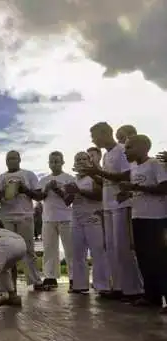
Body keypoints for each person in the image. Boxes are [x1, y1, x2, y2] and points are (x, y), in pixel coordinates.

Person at [79, 122, 143, 301]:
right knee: (112, 248)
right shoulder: (107, 155)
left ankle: (134, 289)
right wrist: (94, 173)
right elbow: (106, 179)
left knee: (123, 248)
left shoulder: (122, 150)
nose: (93, 140)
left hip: (121, 204)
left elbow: (126, 175)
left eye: (94, 136)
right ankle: (119, 286)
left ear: (105, 133)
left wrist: (98, 172)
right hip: (108, 205)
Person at [119, 135, 167, 312]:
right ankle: (151, 296)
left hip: (156, 218)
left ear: (143, 147)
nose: (125, 151)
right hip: (138, 217)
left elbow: (164, 188)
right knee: (144, 259)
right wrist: (128, 194)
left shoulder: (154, 164)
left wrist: (135, 188)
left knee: (160, 260)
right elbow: (139, 192)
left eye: (129, 147)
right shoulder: (133, 168)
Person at [0, 150, 46, 291]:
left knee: (28, 250)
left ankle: (35, 281)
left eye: (14, 158)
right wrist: (4, 191)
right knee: (7, 251)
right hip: (6, 217)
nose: (11, 161)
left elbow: (39, 196)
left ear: (19, 159)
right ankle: (8, 284)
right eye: (9, 159)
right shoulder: (0, 178)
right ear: (6, 161)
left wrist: (24, 190)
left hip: (25, 216)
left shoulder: (29, 175)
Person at [66, 152, 110, 295]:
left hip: (93, 217)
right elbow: (67, 202)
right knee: (77, 253)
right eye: (78, 159)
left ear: (90, 161)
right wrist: (68, 193)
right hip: (76, 217)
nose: (81, 161)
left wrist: (79, 191)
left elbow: (99, 196)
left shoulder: (95, 177)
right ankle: (79, 285)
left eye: (84, 159)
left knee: (97, 252)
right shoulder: (75, 179)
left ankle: (102, 285)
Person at [35, 151, 75, 290]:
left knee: (70, 249)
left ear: (63, 162)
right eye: (52, 161)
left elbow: (70, 200)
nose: (54, 164)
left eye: (57, 161)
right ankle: (50, 277)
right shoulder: (43, 180)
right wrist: (46, 188)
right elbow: (39, 197)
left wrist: (57, 189)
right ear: (49, 163)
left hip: (66, 218)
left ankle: (74, 278)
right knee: (49, 249)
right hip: (48, 218)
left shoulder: (69, 178)